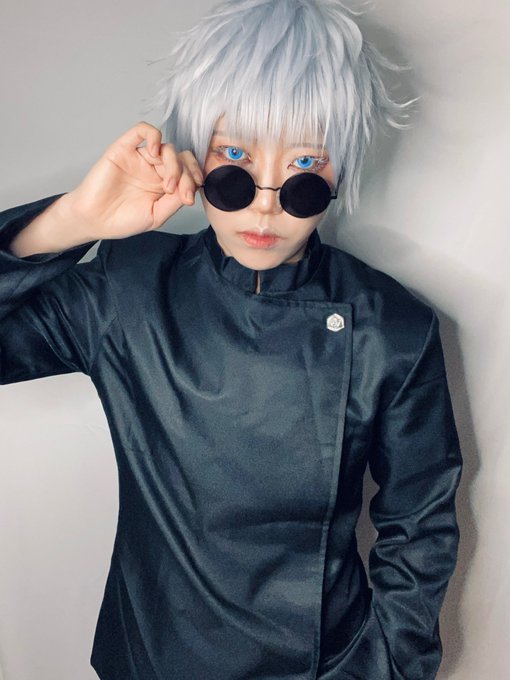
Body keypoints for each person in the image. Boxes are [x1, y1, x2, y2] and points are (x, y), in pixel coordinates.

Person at [0, 1, 462, 679]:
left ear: (338, 172)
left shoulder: (391, 326)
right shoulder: (128, 290)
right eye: (236, 163)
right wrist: (72, 220)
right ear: (197, 158)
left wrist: (382, 670)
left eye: (304, 168)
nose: (265, 204)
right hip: (152, 656)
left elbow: (419, 524)